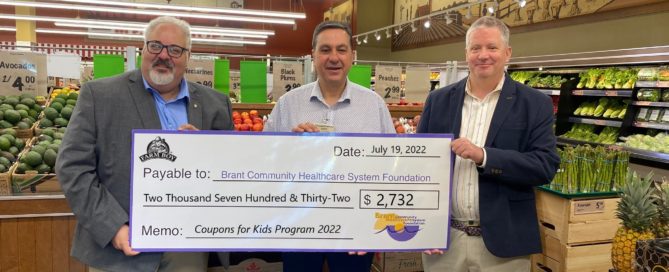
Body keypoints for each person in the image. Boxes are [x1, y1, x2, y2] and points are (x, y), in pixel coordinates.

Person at [56, 16, 233, 272]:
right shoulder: (100, 96)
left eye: (175, 50)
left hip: (187, 246)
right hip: (119, 248)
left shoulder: (215, 104)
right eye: (155, 46)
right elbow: (73, 168)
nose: (164, 55)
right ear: (143, 49)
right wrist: (114, 227)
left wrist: (204, 152)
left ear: (188, 56)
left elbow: (229, 170)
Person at [418, 16, 559, 271]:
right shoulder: (437, 101)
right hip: (444, 241)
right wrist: (422, 226)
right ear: (466, 54)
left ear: (507, 53)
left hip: (504, 245)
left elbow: (544, 166)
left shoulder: (534, 103)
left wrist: (484, 156)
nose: (483, 55)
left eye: (492, 48)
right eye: (475, 48)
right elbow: (420, 167)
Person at [263, 21, 395, 271]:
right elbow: (265, 160)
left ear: (352, 56)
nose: (333, 57)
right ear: (313, 55)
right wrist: (290, 147)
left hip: (354, 226)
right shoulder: (288, 103)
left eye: (341, 49)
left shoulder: (374, 105)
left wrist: (379, 225)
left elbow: (390, 167)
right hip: (299, 224)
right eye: (325, 50)